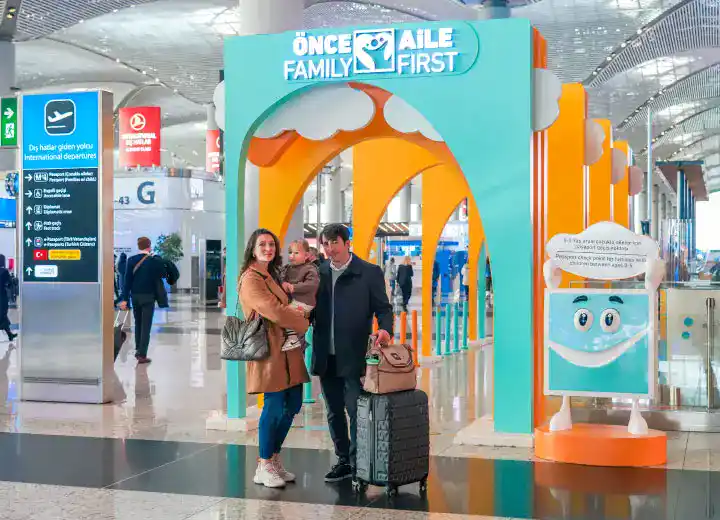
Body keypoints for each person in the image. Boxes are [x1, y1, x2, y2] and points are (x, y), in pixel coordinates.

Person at [312, 223, 393, 482]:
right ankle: (344, 460)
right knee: (334, 411)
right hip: (327, 356)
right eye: (325, 243)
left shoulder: (368, 273)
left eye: (335, 242)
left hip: (355, 355)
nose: (330, 248)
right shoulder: (318, 273)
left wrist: (385, 330)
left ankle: (360, 463)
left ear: (348, 244)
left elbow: (384, 308)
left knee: (355, 410)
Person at [239, 228, 310, 488]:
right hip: (269, 351)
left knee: (293, 404)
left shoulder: (270, 275)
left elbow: (281, 309)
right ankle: (263, 463)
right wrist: (301, 320)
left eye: (272, 244)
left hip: (288, 350)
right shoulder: (251, 278)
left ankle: (273, 457)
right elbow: (273, 310)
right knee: (274, 404)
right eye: (263, 244)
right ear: (253, 248)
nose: (268, 248)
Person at [119, 237, 168, 365]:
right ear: (149, 246)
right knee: (146, 326)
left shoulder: (131, 260)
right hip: (148, 297)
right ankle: (142, 354)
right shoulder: (153, 261)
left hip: (135, 297)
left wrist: (124, 298)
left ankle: (138, 349)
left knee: (138, 323)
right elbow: (161, 275)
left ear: (139, 246)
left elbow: (127, 281)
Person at [280, 239, 319, 351]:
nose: (292, 256)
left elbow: (312, 284)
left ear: (306, 255)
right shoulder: (287, 268)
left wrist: (294, 287)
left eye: (296, 253)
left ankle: (294, 339)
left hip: (305, 302)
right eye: (290, 252)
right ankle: (297, 339)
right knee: (288, 317)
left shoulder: (310, 268)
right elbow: (281, 277)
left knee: (286, 314)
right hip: (294, 300)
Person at [0, 255, 16, 342]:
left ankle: (10, 335)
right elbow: (9, 283)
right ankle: (10, 335)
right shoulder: (4, 271)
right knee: (2, 315)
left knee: (3, 316)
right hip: (2, 296)